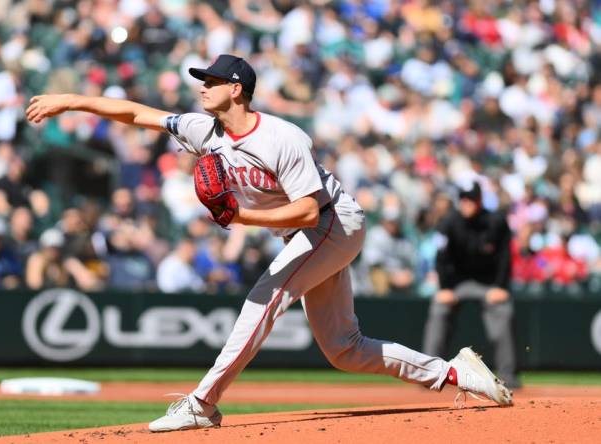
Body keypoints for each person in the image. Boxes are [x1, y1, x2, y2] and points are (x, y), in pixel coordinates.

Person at [26, 54, 513, 433]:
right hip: (309, 230)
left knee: (264, 298)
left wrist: (241, 216)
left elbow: (306, 208)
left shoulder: (283, 138)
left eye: (212, 81)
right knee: (344, 349)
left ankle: (202, 403)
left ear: (236, 89)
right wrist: (71, 100)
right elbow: (135, 113)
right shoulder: (204, 129)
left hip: (333, 222)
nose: (203, 86)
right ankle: (453, 374)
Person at [422, 180, 520, 388]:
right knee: (439, 309)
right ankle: (429, 375)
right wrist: (444, 288)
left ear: (480, 200)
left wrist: (501, 287)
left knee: (503, 311)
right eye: (463, 199)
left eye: (471, 199)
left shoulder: (495, 222)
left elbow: (505, 258)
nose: (467, 203)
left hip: (489, 284)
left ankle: (508, 375)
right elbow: (441, 258)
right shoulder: (449, 222)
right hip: (457, 284)